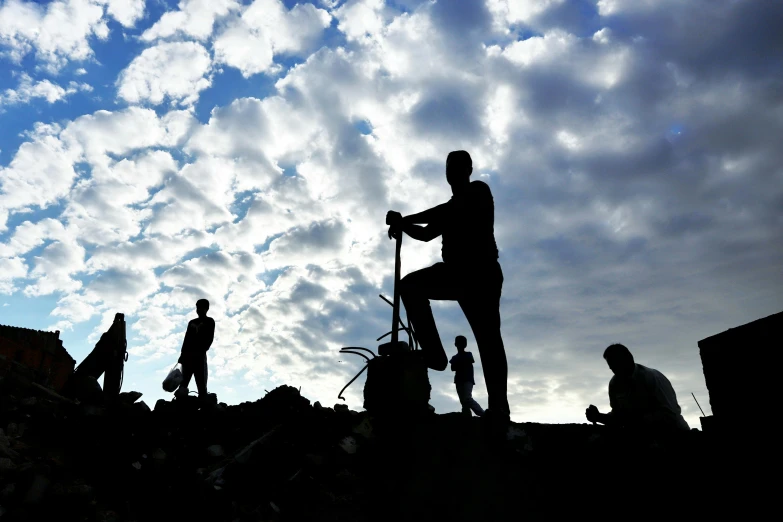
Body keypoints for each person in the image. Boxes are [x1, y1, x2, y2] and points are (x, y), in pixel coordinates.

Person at [386, 150, 509, 426]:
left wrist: (405, 219)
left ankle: (499, 409)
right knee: (411, 285)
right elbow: (427, 232)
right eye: (448, 167)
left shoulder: (478, 192)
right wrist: (404, 225)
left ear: (469, 169)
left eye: (458, 166)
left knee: (489, 340)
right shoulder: (451, 207)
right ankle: (434, 354)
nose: (452, 171)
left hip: (481, 274)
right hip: (455, 274)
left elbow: (441, 213)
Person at [585, 343, 690, 433]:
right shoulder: (614, 384)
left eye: (617, 366)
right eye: (612, 368)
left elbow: (669, 415)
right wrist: (599, 417)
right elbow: (618, 415)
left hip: (675, 435)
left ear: (629, 360)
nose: (615, 371)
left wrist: (632, 421)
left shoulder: (652, 377)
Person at [175, 299, 215, 400]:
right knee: (183, 384)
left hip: (200, 357)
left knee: (201, 385)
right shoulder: (192, 322)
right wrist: (182, 356)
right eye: (197, 307)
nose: (198, 309)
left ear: (207, 308)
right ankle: (179, 405)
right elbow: (186, 340)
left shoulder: (209, 321)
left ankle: (204, 405)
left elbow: (209, 339)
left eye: (201, 307)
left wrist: (201, 351)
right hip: (188, 357)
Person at [450, 335, 485, 417]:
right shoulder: (455, 357)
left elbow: (467, 362)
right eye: (459, 343)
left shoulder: (468, 354)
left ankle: (483, 414)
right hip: (459, 380)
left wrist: (459, 364)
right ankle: (466, 414)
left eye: (462, 343)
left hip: (467, 379)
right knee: (463, 400)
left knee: (467, 398)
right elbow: (453, 368)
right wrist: (460, 363)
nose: (460, 345)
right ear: (456, 344)